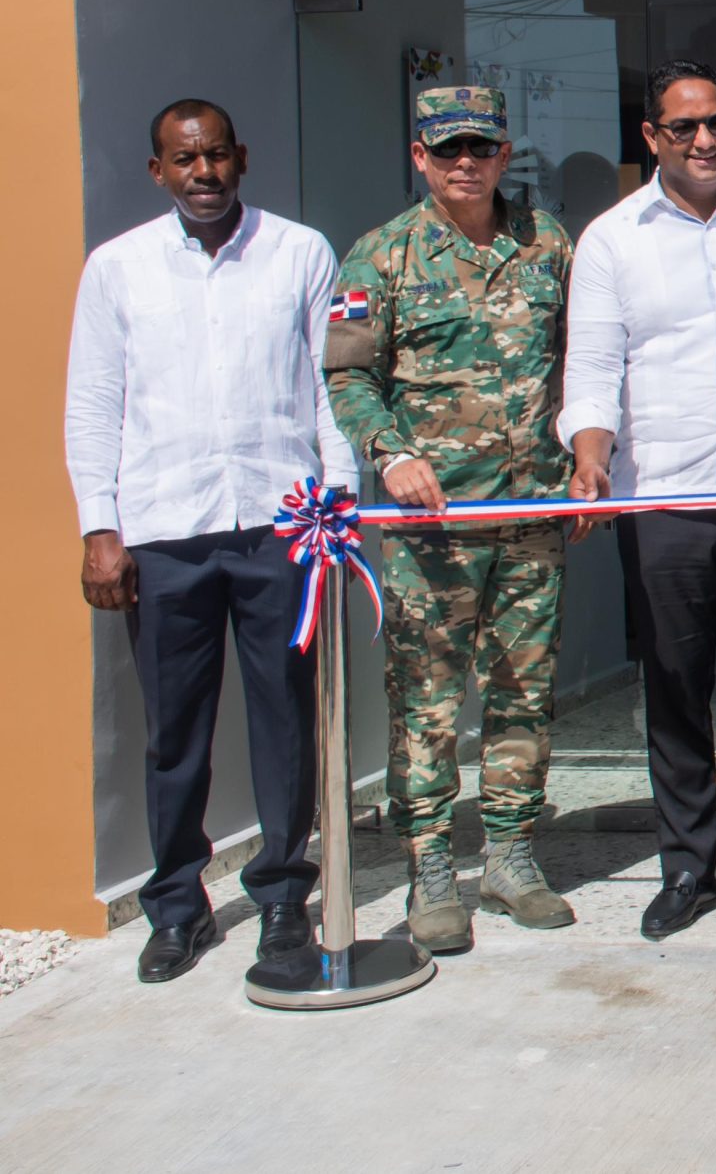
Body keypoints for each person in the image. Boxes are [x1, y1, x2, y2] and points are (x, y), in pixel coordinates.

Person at [65, 99, 357, 983]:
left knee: (284, 720)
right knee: (175, 732)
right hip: (165, 532)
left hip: (281, 525)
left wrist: (338, 509)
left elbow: (331, 390)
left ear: (241, 158)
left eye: (217, 155)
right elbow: (92, 405)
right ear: (157, 170)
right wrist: (99, 527)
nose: (203, 172)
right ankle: (178, 905)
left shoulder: (301, 252)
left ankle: (281, 898)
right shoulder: (116, 269)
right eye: (184, 159)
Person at [562, 61, 716, 940]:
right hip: (665, 493)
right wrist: (591, 459)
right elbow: (592, 370)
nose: (704, 140)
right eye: (683, 128)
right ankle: (685, 867)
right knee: (674, 688)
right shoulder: (611, 239)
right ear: (651, 138)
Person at [328, 84, 579, 954]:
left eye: (480, 147)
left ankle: (511, 853)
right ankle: (430, 863)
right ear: (419, 158)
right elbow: (349, 377)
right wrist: (392, 452)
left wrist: (585, 461)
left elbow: (582, 358)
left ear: (505, 153)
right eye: (447, 150)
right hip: (432, 524)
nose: (465, 163)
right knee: (428, 700)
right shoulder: (380, 257)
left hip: (530, 512)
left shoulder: (547, 243)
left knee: (524, 689)